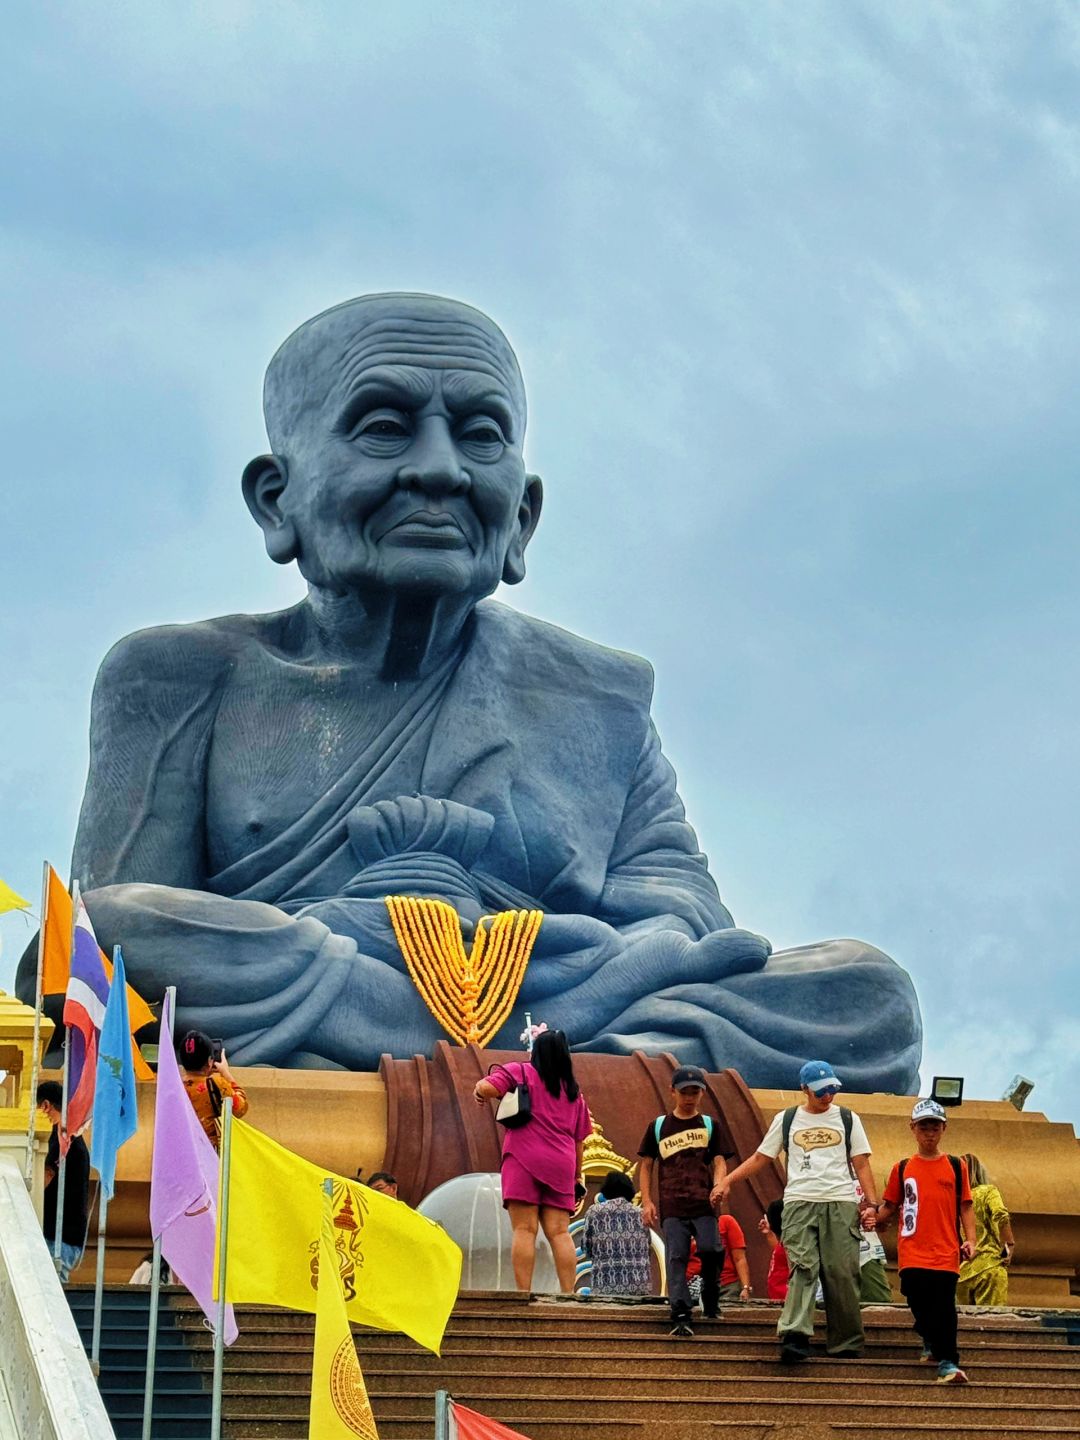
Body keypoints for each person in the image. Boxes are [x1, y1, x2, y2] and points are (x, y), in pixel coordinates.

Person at [33, 292, 922, 1093]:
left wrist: (521, 952)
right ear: (278, 500)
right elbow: (101, 947)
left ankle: (458, 1060)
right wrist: (363, 934)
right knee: (99, 942)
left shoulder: (600, 696)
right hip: (420, 1001)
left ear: (521, 517)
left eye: (480, 434)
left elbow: (685, 920)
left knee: (864, 991)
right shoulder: (180, 676)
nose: (440, 469)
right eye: (384, 426)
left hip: (550, 1001)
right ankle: (538, 1074)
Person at [717, 1060, 879, 1363]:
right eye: (820, 1091)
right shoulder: (787, 1119)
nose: (827, 1095)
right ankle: (795, 1334)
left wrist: (871, 1204)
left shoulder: (847, 1118)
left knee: (841, 1272)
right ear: (804, 1089)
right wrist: (728, 1180)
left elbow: (862, 1163)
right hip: (800, 1201)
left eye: (832, 1089)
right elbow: (761, 1158)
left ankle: (846, 1340)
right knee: (803, 1267)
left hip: (840, 1201)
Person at [473, 1028, 592, 1293]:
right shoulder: (574, 1093)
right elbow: (579, 1140)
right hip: (562, 1163)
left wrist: (480, 1091)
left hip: (523, 1156)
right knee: (560, 1232)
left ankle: (523, 1294)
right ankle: (567, 1294)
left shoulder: (521, 1072)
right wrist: (575, 1176)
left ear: (536, 1051)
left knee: (525, 1230)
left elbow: (488, 1086)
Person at [874, 1098, 976, 1385]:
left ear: (943, 1129)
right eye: (923, 1127)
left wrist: (971, 1240)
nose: (929, 1132)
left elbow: (966, 1205)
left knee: (944, 1306)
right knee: (917, 1300)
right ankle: (929, 1337)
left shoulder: (957, 1166)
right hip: (912, 1249)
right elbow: (890, 1206)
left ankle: (948, 1362)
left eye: (934, 1126)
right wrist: (873, 1217)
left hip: (946, 1249)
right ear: (913, 1129)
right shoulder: (903, 1167)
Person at [637, 1064, 735, 1337]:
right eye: (684, 1092)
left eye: (695, 1092)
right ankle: (680, 1313)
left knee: (712, 1249)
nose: (690, 1097)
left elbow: (719, 1160)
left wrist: (719, 1184)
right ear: (673, 1092)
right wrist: (647, 1201)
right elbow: (646, 1165)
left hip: (704, 1203)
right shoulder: (659, 1126)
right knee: (677, 1256)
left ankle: (710, 1293)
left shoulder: (709, 1125)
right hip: (673, 1204)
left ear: (702, 1094)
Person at [37, 1080, 89, 1282]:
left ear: (46, 1106)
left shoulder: (63, 1139)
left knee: (48, 1299)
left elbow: (46, 1177)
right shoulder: (72, 1136)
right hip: (68, 1235)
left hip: (58, 1237)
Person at [580, 1170, 652, 1297]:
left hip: (604, 1287)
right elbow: (647, 1247)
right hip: (639, 1288)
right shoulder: (641, 1213)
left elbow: (586, 1248)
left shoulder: (594, 1212)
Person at [956, 1152, 1014, 1306]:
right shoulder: (988, 1191)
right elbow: (1001, 1215)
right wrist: (1008, 1247)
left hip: (962, 1273)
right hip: (989, 1266)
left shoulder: (956, 1199)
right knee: (992, 1322)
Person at [177, 1030, 249, 1149]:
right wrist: (226, 1074)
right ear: (210, 1061)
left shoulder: (175, 1084)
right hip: (207, 1151)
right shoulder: (217, 1082)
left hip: (182, 1148)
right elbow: (241, 1108)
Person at [854, 1176, 892, 1303]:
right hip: (840, 1249)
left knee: (879, 1304)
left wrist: (873, 1216)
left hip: (866, 1249)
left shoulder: (862, 1173)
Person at [717, 1207, 753, 1301]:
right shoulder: (683, 1225)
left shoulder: (726, 1221)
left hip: (726, 1285)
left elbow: (739, 1258)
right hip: (692, 1287)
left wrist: (745, 1287)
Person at [759, 1200, 790, 1301]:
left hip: (785, 1295)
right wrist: (769, 1232)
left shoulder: (791, 1245)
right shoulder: (783, 1243)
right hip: (777, 1294)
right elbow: (777, 1249)